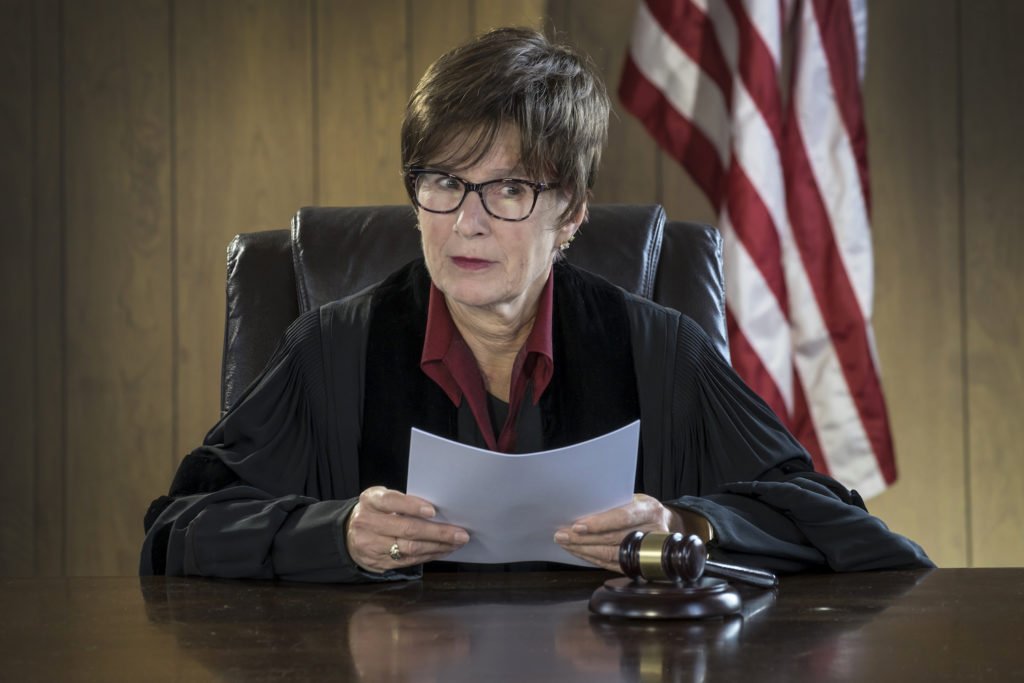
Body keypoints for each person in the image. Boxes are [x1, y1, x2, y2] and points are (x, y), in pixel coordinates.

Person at [140, 27, 932, 582]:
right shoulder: (332, 351)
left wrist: (684, 527)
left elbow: (840, 525)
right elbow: (178, 529)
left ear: (572, 214)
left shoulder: (659, 351)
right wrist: (333, 533)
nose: (467, 220)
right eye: (444, 182)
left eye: (509, 188)